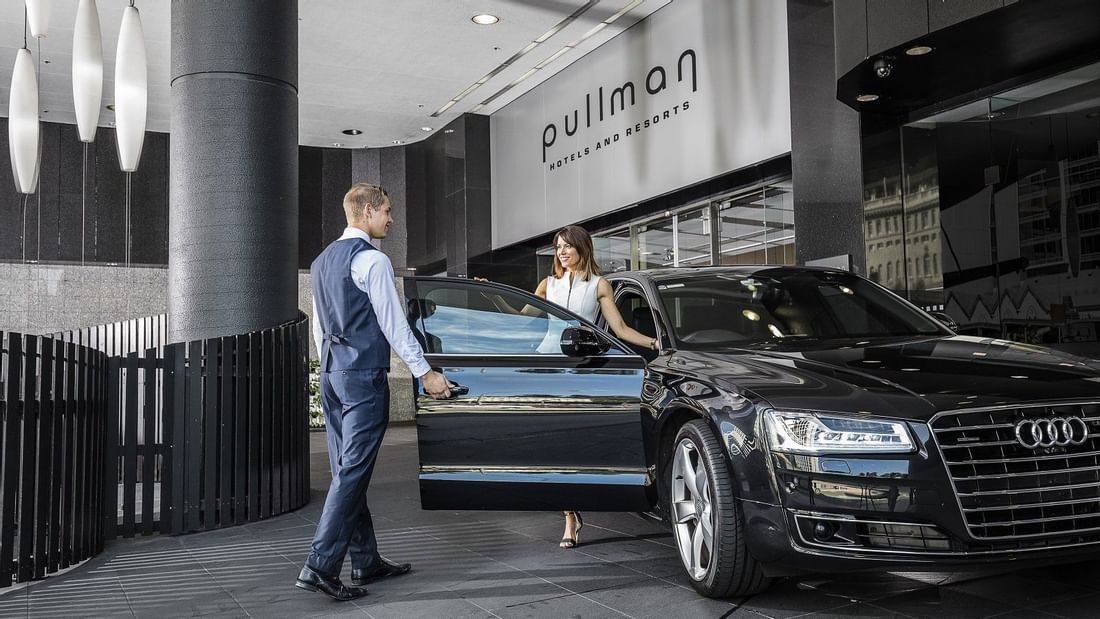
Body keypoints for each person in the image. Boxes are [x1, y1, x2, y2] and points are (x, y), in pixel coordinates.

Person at [297, 183, 452, 601]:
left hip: (332, 374)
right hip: (362, 376)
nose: (391, 217)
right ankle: (320, 565)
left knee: (348, 471)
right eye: (387, 210)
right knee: (352, 472)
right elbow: (393, 323)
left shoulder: (321, 261)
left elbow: (317, 323)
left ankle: (365, 559)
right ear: (367, 211)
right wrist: (425, 373)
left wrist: (329, 365)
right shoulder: (372, 260)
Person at [489, 224, 658, 549]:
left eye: (567, 246)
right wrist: (493, 294)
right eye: (558, 247)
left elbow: (620, 329)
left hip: (580, 369)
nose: (562, 252)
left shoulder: (599, 285)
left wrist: (654, 342)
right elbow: (522, 318)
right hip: (546, 368)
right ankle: (570, 515)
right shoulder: (547, 285)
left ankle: (598, 495)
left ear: (583, 248)